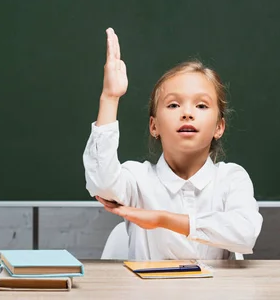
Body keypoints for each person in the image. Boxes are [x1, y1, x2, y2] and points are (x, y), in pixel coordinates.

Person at [83, 27, 263, 260]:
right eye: (173, 105)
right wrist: (110, 98)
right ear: (154, 126)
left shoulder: (230, 179)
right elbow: (101, 183)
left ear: (219, 127)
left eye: (201, 106)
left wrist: (162, 219)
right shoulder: (138, 178)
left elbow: (245, 234)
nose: (187, 113)